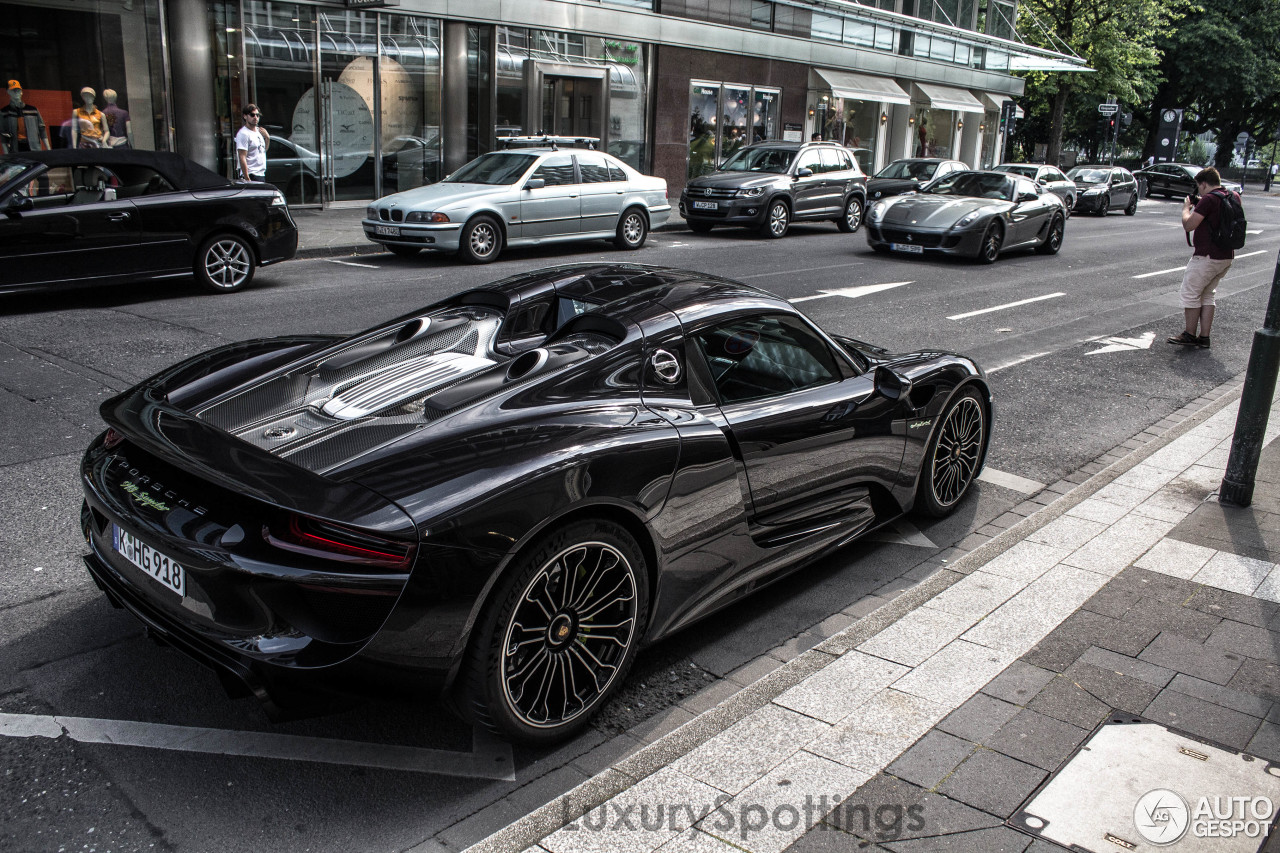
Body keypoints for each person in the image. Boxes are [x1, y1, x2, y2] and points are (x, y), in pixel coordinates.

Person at [1168, 167, 1236, 349]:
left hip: (1207, 256)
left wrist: (1186, 208)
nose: (1199, 191)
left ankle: (1189, 334)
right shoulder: (1232, 196)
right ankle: (1204, 337)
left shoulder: (1209, 200)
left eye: (1199, 187)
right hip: (1226, 255)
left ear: (1204, 184)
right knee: (1207, 294)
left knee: (1190, 293)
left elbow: (1189, 225)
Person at [0, 80, 49, 153]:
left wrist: (48, 149)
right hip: (15, 149)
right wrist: (6, 154)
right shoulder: (4, 112)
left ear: (21, 91)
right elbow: (3, 134)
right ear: (8, 91)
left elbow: (42, 129)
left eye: (18, 90)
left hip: (34, 148)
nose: (16, 92)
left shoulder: (33, 110)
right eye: (13, 90)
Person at [235, 103, 268, 182]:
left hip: (261, 173)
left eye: (257, 115)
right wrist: (247, 179)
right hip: (252, 174)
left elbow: (263, 151)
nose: (255, 117)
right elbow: (242, 157)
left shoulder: (258, 131)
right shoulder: (243, 134)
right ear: (245, 116)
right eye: (252, 115)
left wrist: (267, 138)